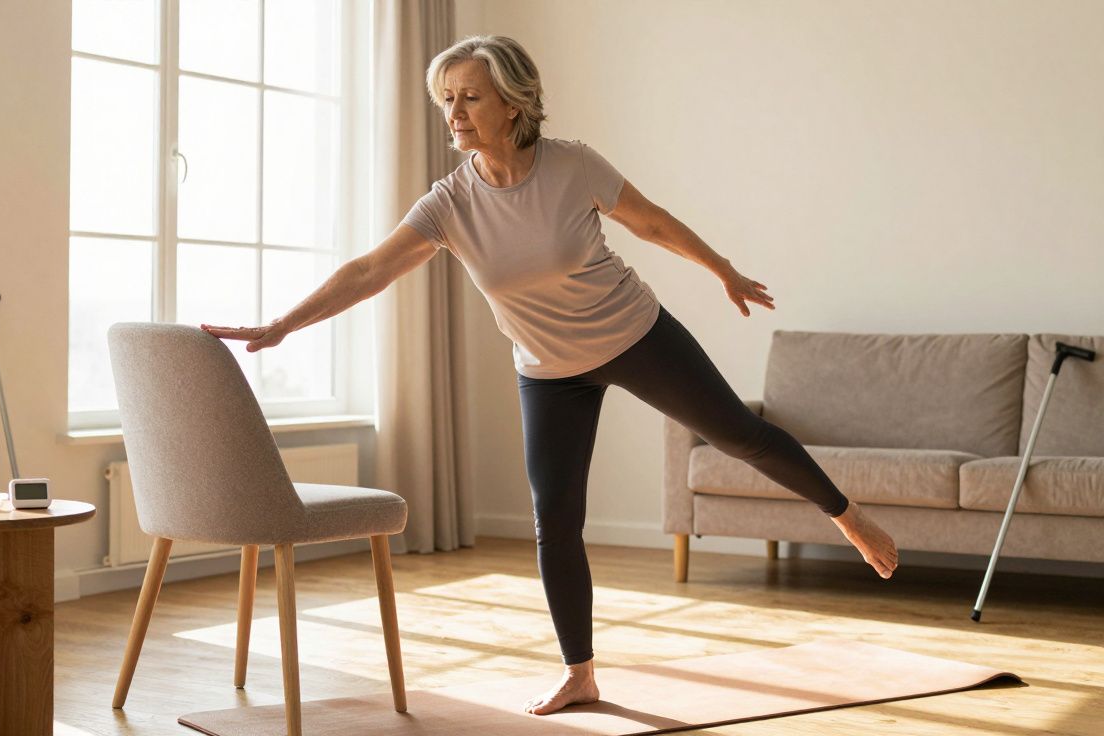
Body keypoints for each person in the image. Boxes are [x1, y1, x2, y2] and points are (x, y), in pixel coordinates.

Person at [202, 34, 899, 716]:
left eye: (470, 97)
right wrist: (282, 324)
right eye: (447, 99)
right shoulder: (450, 203)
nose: (455, 113)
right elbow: (369, 271)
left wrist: (722, 271)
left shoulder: (572, 166)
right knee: (554, 518)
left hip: (635, 335)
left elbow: (650, 224)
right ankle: (580, 674)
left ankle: (847, 516)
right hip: (547, 370)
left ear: (513, 103)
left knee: (741, 435)